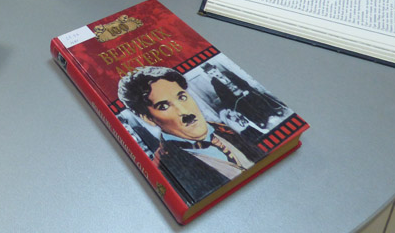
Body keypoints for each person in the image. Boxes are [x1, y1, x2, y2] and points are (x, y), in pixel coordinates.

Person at [118, 66, 264, 205]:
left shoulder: (224, 129)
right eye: (164, 106)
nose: (185, 112)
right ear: (149, 119)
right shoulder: (164, 166)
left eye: (182, 97)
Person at [202, 63, 287, 130]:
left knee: (257, 100)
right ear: (209, 75)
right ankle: (261, 120)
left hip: (245, 91)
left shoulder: (228, 74)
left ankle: (271, 113)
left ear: (216, 69)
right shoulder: (214, 82)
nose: (214, 74)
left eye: (214, 71)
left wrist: (245, 89)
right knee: (246, 108)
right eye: (211, 74)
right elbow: (222, 95)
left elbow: (241, 81)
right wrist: (231, 102)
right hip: (235, 98)